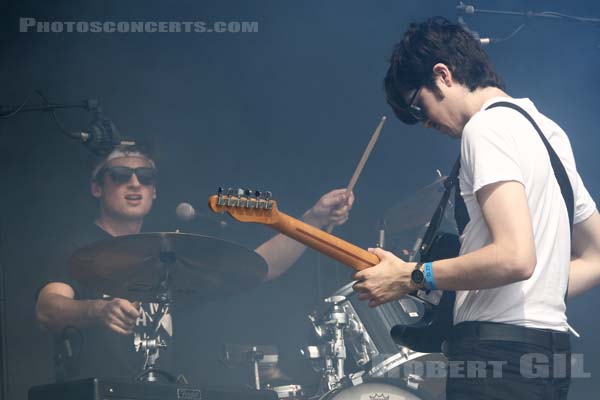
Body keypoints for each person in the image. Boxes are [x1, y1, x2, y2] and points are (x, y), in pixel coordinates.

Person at [352, 16, 600, 399]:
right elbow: (597, 254)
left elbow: (515, 257)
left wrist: (412, 276)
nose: (425, 124)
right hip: (548, 354)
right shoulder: (548, 130)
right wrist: (540, 290)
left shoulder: (484, 130)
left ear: (443, 74)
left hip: (495, 356)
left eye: (419, 107)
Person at [35, 144, 354, 382]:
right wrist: (98, 310)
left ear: (154, 191)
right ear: (97, 187)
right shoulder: (80, 248)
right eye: (120, 176)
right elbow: (48, 309)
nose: (135, 183)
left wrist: (313, 218)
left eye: (145, 178)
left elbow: (262, 266)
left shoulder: (171, 250)